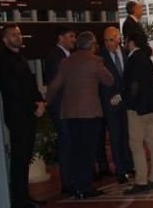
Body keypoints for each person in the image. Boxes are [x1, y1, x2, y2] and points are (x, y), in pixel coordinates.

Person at [46, 31, 112, 199]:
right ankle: (85, 187)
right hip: (89, 113)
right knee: (88, 150)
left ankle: (75, 185)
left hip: (69, 113)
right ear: (91, 45)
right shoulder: (96, 61)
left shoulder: (66, 62)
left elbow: (54, 86)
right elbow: (109, 80)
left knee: (75, 150)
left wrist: (46, 102)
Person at [0, 24, 47, 208]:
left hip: (28, 114)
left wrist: (40, 101)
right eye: (13, 35)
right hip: (18, 115)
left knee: (24, 158)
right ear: (5, 40)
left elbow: (30, 85)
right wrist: (34, 106)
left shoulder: (20, 58)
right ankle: (19, 201)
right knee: (19, 158)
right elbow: (13, 90)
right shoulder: (2, 62)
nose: (18, 37)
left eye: (19, 34)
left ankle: (25, 197)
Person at [123, 31, 153, 194]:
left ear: (130, 41)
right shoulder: (146, 58)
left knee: (136, 145)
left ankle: (141, 181)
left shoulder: (133, 59)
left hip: (139, 109)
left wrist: (129, 103)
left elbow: (133, 84)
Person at [99, 25, 134, 184]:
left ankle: (130, 165)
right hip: (110, 103)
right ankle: (120, 170)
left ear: (119, 39)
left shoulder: (127, 53)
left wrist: (124, 95)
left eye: (111, 40)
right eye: (105, 40)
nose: (108, 43)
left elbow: (131, 77)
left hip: (127, 101)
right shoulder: (100, 57)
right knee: (115, 136)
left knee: (128, 135)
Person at [44, 26, 77, 195]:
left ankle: (73, 179)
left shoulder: (68, 56)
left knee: (71, 143)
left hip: (70, 108)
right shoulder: (55, 57)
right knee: (66, 143)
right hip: (61, 108)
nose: (74, 39)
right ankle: (67, 182)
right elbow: (56, 85)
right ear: (60, 38)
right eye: (71, 36)